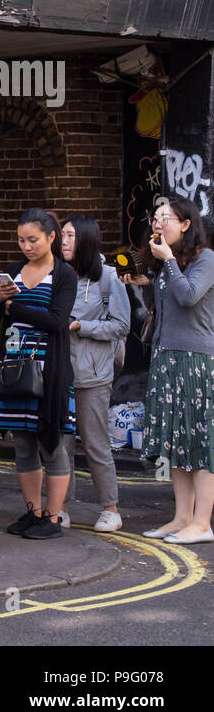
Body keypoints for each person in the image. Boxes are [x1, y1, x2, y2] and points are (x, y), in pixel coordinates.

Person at [124, 198, 214, 544]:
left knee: (200, 442)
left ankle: (203, 523)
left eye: (165, 219)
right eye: (155, 219)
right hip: (167, 357)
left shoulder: (205, 260)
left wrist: (169, 263)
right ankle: (182, 516)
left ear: (186, 224)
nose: (157, 225)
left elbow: (189, 297)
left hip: (196, 360)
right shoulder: (167, 263)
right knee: (177, 440)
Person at [0, 208, 78, 540]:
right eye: (21, 240)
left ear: (51, 237)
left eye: (33, 240)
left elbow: (58, 321)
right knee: (23, 443)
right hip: (15, 368)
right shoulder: (13, 271)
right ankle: (32, 512)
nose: (26, 247)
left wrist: (18, 307)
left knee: (52, 441)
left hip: (49, 369)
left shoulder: (64, 275)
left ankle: (53, 518)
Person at [62, 214, 131, 533]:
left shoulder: (107, 277)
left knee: (94, 442)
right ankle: (60, 505)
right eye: (62, 235)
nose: (63, 241)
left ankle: (110, 508)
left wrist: (81, 326)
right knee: (59, 443)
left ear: (86, 240)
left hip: (93, 373)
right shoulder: (59, 274)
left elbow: (121, 325)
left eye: (71, 235)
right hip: (61, 371)